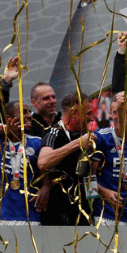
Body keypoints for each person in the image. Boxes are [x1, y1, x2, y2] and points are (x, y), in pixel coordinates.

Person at [88, 93, 127, 227]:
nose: (119, 116)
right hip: (105, 216)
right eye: (115, 112)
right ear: (110, 114)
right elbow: (85, 177)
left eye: (125, 112)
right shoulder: (101, 138)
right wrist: (103, 192)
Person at [38, 92, 92, 226]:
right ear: (74, 112)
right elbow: (43, 162)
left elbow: (91, 175)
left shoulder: (86, 136)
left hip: (83, 212)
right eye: (88, 113)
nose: (92, 118)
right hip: (58, 214)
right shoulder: (54, 133)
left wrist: (95, 199)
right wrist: (77, 144)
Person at [0, 101, 45, 225]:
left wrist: (47, 186)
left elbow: (47, 172)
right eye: (24, 112)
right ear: (9, 119)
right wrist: (3, 128)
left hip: (30, 217)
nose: (30, 115)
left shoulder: (37, 143)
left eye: (30, 111)